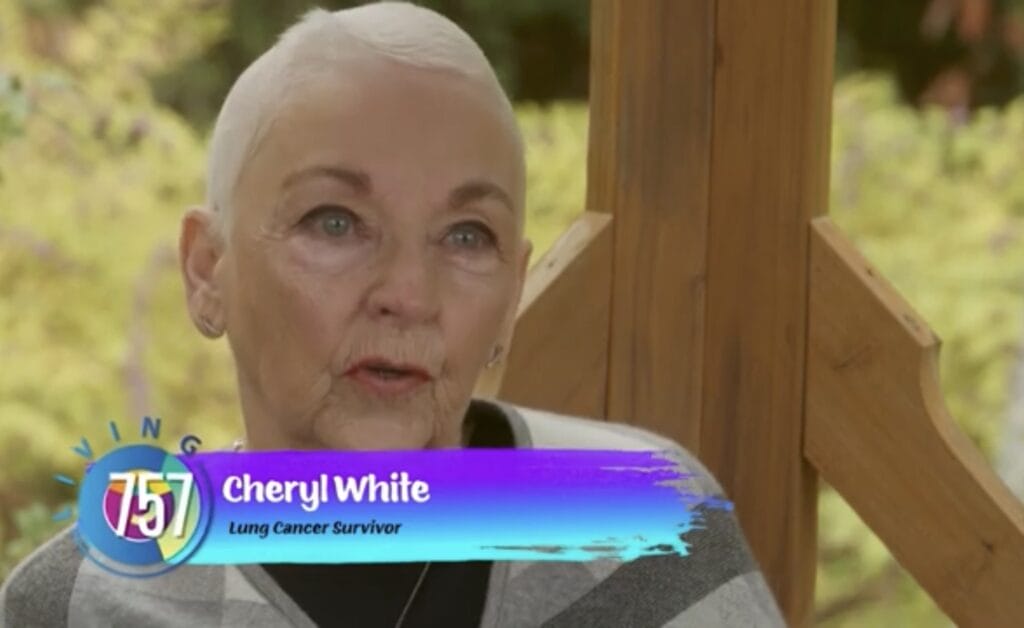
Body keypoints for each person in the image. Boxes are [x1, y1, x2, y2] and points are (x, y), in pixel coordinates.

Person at [0, 3, 785, 626]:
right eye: (334, 222)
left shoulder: (643, 525)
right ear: (208, 270)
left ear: (511, 296)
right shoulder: (87, 599)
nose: (408, 292)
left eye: (467, 236)